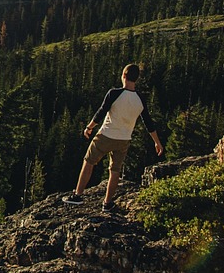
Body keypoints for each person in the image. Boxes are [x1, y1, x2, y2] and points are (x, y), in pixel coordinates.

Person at [63, 63, 163, 211]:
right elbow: (148, 122)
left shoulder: (114, 93)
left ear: (123, 75)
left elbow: (101, 112)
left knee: (89, 161)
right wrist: (157, 143)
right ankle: (107, 203)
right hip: (124, 140)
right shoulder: (140, 99)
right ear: (136, 79)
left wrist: (89, 127)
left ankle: (77, 195)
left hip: (105, 135)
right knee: (115, 170)